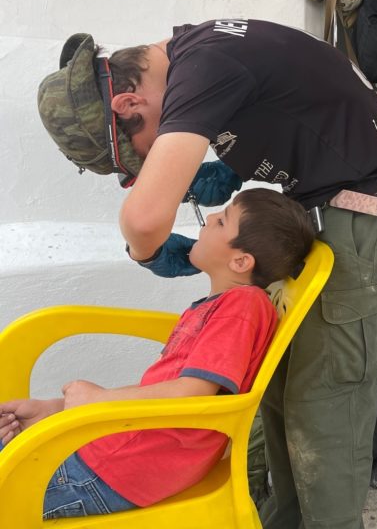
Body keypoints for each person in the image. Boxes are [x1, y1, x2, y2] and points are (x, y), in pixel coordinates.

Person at [35, 19, 377, 529]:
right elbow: (290, 116)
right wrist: (223, 178)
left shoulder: (203, 66)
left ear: (127, 106)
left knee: (325, 410)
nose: (155, 159)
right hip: (333, 219)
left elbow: (144, 220)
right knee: (285, 400)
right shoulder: (206, 54)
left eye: (144, 155)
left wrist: (152, 253)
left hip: (358, 224)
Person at [0, 188, 315, 520]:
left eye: (222, 221)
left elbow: (192, 393)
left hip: (114, 472)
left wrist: (97, 402)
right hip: (111, 456)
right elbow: (165, 391)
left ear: (240, 261)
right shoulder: (221, 308)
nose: (209, 218)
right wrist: (57, 411)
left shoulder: (242, 307)